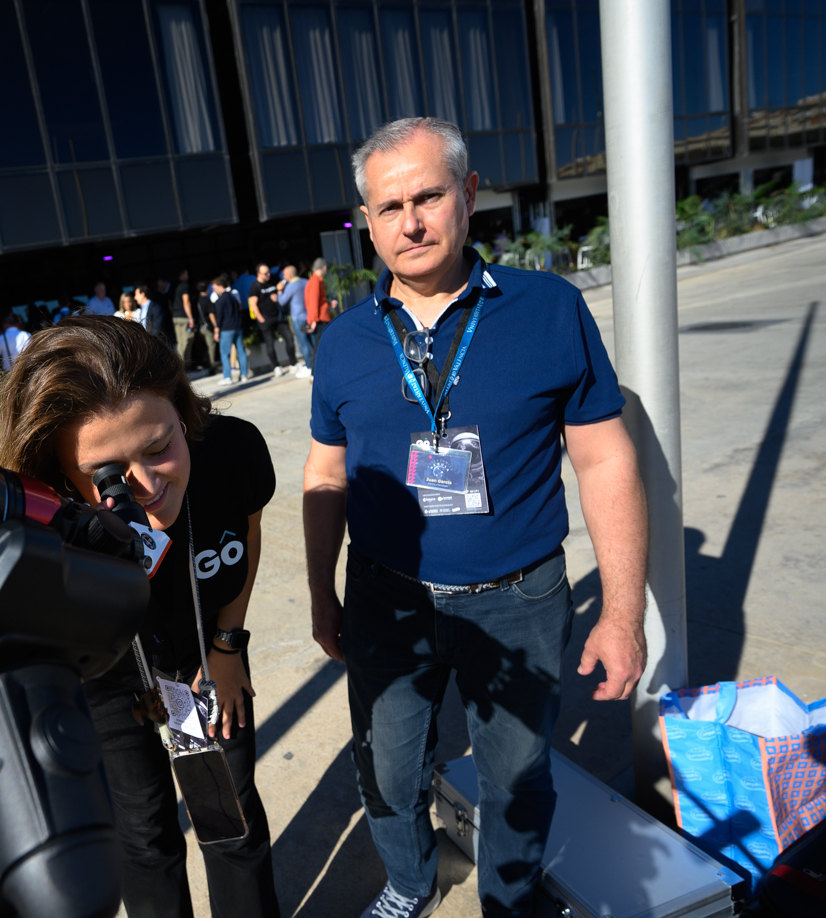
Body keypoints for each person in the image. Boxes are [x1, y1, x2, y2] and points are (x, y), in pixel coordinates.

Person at [303, 117, 647, 918]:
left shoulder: (550, 309)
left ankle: (509, 900)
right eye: (390, 208)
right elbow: (324, 475)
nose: (411, 223)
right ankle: (410, 880)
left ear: (468, 193)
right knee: (389, 768)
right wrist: (322, 593)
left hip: (519, 597)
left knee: (517, 775)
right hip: (388, 598)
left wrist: (622, 612)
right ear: (367, 221)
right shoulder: (343, 342)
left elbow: (606, 460)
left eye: (427, 197)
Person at [0, 316, 281, 918]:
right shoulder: (42, 520)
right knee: (144, 837)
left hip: (204, 661)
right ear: (58, 473)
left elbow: (247, 535)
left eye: (159, 447)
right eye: (107, 475)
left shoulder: (231, 452)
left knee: (229, 819)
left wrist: (227, 644)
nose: (145, 485)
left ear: (181, 411)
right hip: (106, 675)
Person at [247, 264, 296, 377]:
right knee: (270, 344)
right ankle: (276, 367)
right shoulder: (255, 286)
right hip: (266, 319)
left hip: (278, 316)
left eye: (269, 272)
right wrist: (261, 319)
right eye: (265, 273)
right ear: (258, 274)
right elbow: (253, 304)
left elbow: (281, 290)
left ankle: (293, 363)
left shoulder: (273, 280)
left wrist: (278, 293)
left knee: (289, 338)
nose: (268, 275)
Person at [207, 277, 248, 383]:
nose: (214, 291)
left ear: (221, 286)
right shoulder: (233, 297)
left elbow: (219, 317)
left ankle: (227, 377)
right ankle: (244, 375)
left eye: (215, 288)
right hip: (237, 326)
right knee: (241, 352)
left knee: (225, 353)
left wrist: (216, 331)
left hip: (226, 329)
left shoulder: (220, 300)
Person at [277, 265, 313, 378]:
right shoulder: (305, 281)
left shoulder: (291, 285)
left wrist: (279, 291)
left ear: (290, 275)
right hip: (308, 317)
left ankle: (309, 367)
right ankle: (316, 364)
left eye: (284, 275)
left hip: (298, 319)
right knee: (312, 342)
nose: (283, 277)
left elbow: (282, 301)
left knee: (303, 344)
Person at [304, 258, 332, 358]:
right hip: (320, 319)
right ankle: (314, 368)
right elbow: (313, 302)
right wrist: (314, 320)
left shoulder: (316, 280)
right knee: (319, 346)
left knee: (320, 345)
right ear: (324, 267)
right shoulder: (315, 281)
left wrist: (329, 304)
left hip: (320, 317)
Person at [134, 282, 172, 346]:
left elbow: (157, 328)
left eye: (136, 295)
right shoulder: (142, 309)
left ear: (142, 294)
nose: (135, 298)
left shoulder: (155, 307)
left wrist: (149, 341)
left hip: (154, 343)